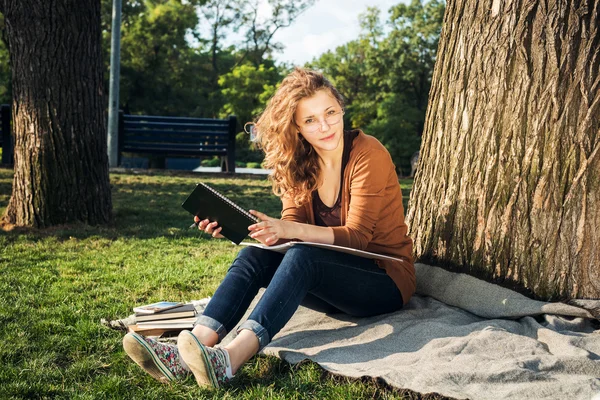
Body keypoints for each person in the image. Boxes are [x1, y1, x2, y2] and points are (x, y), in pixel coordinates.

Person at [122, 67, 416, 387]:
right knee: (256, 257)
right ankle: (189, 350)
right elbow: (290, 226)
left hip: (384, 281)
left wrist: (292, 232)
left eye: (331, 112)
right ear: (297, 129)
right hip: (329, 282)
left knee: (304, 255)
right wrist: (248, 231)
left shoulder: (367, 153)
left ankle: (230, 359)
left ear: (341, 108)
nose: (326, 125)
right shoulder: (300, 163)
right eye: (310, 120)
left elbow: (358, 238)